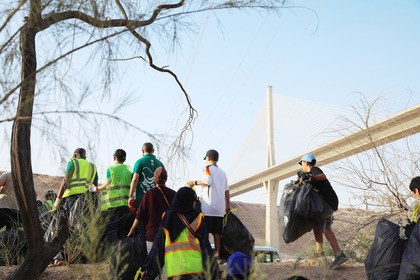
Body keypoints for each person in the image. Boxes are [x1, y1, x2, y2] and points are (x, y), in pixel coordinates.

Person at [141, 187, 215, 280]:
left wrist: (147, 271)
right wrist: (213, 273)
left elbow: (157, 248)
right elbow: (206, 248)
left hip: (174, 273)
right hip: (196, 271)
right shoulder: (198, 218)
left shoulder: (167, 218)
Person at [297, 153, 348, 270]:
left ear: (306, 163)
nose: (301, 166)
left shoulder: (314, 170)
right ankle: (319, 253)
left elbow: (322, 176)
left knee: (324, 226)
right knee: (316, 225)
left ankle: (339, 255)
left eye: (302, 163)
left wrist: (311, 177)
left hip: (328, 203)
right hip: (325, 203)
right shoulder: (308, 174)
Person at [51, 147, 98, 265]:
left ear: (76, 154)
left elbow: (65, 181)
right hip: (86, 200)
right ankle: (82, 258)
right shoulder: (93, 166)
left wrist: (58, 199)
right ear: (85, 155)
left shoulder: (72, 162)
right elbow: (95, 187)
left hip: (71, 199)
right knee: (82, 229)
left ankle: (59, 257)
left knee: (61, 227)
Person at [187, 149, 231, 260]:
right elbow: (227, 190)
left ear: (208, 158)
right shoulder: (222, 172)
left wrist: (194, 182)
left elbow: (206, 181)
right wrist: (228, 204)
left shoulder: (207, 169)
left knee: (205, 232)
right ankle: (217, 253)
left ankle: (205, 253)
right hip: (220, 208)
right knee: (217, 232)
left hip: (208, 207)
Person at [127, 166, 176, 253]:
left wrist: (132, 229)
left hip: (152, 235)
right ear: (166, 178)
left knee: (153, 263)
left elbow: (139, 215)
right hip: (169, 235)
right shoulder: (173, 194)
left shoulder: (149, 193)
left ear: (154, 179)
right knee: (167, 264)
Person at [90, 149, 132, 244]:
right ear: (124, 159)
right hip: (125, 206)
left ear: (114, 158)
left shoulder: (111, 169)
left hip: (112, 206)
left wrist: (96, 188)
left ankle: (113, 254)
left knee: (112, 231)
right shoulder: (129, 169)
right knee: (123, 232)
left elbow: (108, 182)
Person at [128, 142, 164, 212]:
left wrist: (130, 196)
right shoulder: (160, 164)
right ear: (153, 151)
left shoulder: (139, 162)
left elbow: (135, 179)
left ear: (142, 150)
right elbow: (163, 181)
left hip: (142, 199)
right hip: (156, 199)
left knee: (141, 221)